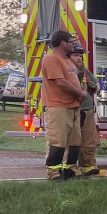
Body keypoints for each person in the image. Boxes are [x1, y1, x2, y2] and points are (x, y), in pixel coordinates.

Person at [40, 30, 86, 180]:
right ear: (62, 43)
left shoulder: (67, 61)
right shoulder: (51, 59)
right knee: (57, 141)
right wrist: (80, 94)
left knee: (74, 141)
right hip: (58, 106)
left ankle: (70, 170)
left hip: (73, 107)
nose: (73, 44)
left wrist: (81, 92)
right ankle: (54, 173)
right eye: (71, 42)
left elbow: (74, 79)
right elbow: (60, 82)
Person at [69, 47, 106, 177]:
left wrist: (93, 85)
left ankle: (89, 166)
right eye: (75, 55)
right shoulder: (66, 71)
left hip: (87, 110)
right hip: (72, 110)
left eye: (80, 56)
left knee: (89, 140)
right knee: (73, 141)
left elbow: (97, 87)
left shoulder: (85, 71)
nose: (79, 58)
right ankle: (71, 168)